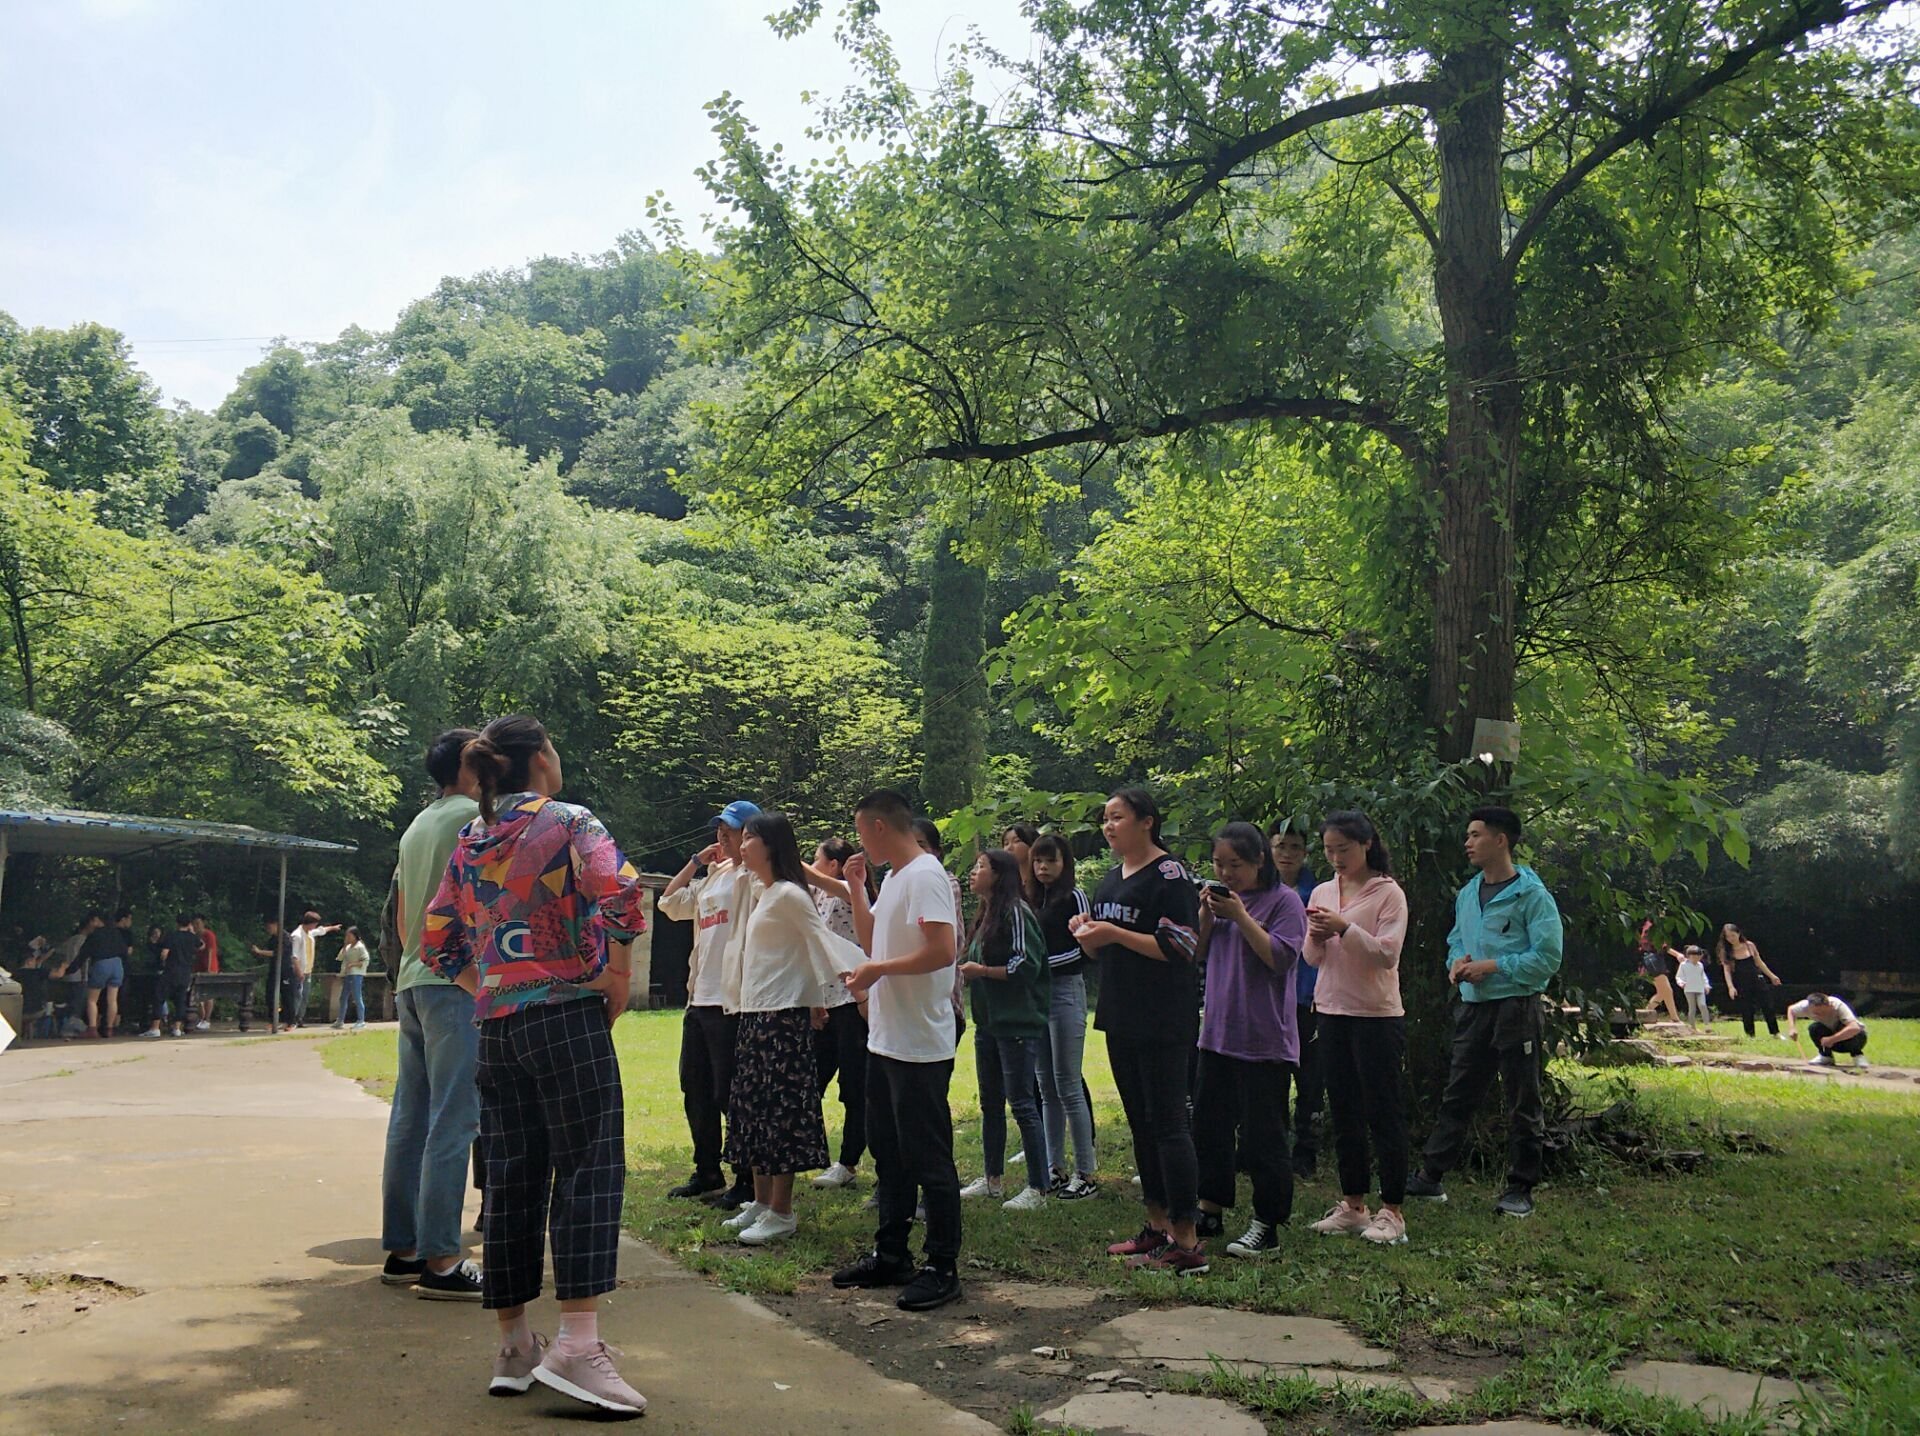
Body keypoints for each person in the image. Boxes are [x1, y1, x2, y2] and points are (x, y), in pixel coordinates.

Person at [425, 714, 650, 1416]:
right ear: (542, 758)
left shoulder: (471, 840)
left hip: (496, 1031)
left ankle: (515, 1345)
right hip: (564, 1020)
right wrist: (617, 974)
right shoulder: (569, 821)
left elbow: (436, 942)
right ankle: (578, 1345)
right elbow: (621, 893)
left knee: (512, 1181)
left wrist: (492, 986)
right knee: (587, 1167)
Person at [830, 789, 964, 1313]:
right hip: (886, 1040)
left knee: (929, 1158)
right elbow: (872, 943)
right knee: (889, 1154)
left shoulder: (927, 875)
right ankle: (891, 1254)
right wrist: (856, 888)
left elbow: (943, 950)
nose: (860, 842)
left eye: (861, 832)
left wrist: (877, 972)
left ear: (879, 827)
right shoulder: (894, 879)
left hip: (920, 1045)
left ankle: (942, 1266)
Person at [1071, 787, 1207, 1275]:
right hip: (1120, 1015)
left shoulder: (1170, 875)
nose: (1108, 826)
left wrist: (1112, 932)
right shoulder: (1110, 880)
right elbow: (1099, 953)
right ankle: (1156, 1226)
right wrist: (1086, 934)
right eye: (1105, 819)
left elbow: (1182, 945)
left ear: (1147, 821)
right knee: (1140, 1123)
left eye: (1117, 817)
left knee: (1169, 1125)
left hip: (1163, 1017)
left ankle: (1188, 1241)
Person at [1406, 806, 1564, 1220]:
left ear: (1501, 840)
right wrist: (1456, 964)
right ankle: (1430, 1176)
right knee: (1458, 1093)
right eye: (1468, 835)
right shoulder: (1468, 893)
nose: (1468, 843)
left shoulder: (1532, 895)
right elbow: (1457, 940)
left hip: (1517, 1008)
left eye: (1476, 835)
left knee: (1522, 1098)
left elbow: (1547, 958)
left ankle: (1520, 1188)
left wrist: (1491, 967)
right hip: (1474, 1008)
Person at [716, 812, 865, 1244]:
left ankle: (782, 1210)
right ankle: (761, 1202)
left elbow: (821, 943)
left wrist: (858, 983)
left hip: (782, 1019)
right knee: (754, 1111)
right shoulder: (762, 892)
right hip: (756, 1014)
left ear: (770, 845)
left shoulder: (789, 894)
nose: (742, 845)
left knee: (779, 1114)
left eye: (749, 838)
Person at [380, 728, 485, 1301]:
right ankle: (443, 1259)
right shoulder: (474, 817)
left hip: (413, 980)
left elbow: (402, 919)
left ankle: (404, 1250)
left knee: (411, 1116)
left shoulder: (418, 824)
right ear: (471, 765)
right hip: (455, 983)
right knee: (453, 1117)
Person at [1194, 823, 1306, 1259]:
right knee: (1209, 1128)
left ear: (1261, 859)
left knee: (1263, 1138)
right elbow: (1197, 953)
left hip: (1265, 1040)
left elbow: (1280, 959)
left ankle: (1267, 1225)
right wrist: (1207, 917)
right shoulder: (1219, 902)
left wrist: (1241, 916)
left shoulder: (1285, 901)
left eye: (1235, 865)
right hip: (1217, 1035)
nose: (1226, 873)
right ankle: (1209, 1208)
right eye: (1218, 864)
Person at [1302, 812, 1412, 1246]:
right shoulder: (1323, 891)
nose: (1336, 858)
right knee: (1344, 1109)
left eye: (1343, 849)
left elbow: (1387, 955)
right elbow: (1312, 958)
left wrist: (1344, 927)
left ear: (1366, 844)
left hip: (1377, 1016)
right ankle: (1353, 1205)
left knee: (1383, 1110)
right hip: (1331, 1010)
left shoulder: (1388, 893)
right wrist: (1317, 934)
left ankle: (1393, 1211)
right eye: (1329, 850)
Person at [658, 799, 761, 1210]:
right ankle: (707, 1171)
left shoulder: (753, 879)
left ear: (751, 835)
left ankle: (746, 1178)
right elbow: (668, 904)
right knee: (694, 1088)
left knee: (730, 1093)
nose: (722, 835)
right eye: (720, 828)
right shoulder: (713, 877)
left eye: (731, 829)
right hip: (698, 998)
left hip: (731, 1002)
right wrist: (695, 863)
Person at [958, 848, 1052, 1211]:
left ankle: (1038, 1187)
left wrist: (982, 972)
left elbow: (1026, 964)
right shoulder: (986, 914)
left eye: (981, 866)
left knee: (1023, 1104)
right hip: (989, 1023)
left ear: (999, 874)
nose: (973, 872)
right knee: (991, 1104)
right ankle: (992, 1179)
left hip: (1017, 1024)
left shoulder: (1016, 911)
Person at [1031, 833, 1097, 1199]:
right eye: (1038, 861)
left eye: (1051, 861)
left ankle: (1086, 1173)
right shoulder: (1031, 898)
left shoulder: (1074, 897)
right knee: (1046, 1087)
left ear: (1064, 863)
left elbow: (1082, 952)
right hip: (1037, 998)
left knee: (1068, 1084)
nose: (1043, 867)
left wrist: (1035, 966)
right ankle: (1053, 1167)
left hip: (1066, 992)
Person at [809, 837, 869, 1191]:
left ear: (833, 864)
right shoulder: (818, 897)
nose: (813, 863)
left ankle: (848, 1162)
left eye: (816, 858)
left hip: (851, 1000)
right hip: (826, 1002)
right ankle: (809, 1152)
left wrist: (784, 857)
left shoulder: (850, 890)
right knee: (811, 1081)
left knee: (853, 1087)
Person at [1269, 823, 1323, 1178]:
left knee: (1310, 1080)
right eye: (1280, 846)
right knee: (1271, 1077)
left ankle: (1306, 1153)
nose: (1287, 854)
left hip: (1308, 998)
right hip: (1270, 1000)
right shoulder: (1258, 891)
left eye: (1294, 847)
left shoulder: (1318, 893)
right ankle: (1270, 1146)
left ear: (1305, 852)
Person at [1717, 923, 1785, 1039]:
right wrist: (1730, 987)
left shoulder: (1749, 945)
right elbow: (1727, 971)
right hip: (1741, 982)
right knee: (1747, 1008)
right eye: (1728, 937)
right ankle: (1750, 1035)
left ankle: (1775, 1033)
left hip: (1757, 978)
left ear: (1738, 933)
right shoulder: (1726, 951)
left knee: (1767, 1005)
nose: (1731, 939)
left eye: (1733, 935)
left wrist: (1772, 976)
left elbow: (1759, 962)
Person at [142, 914, 199, 1039]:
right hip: (186, 972)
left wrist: (163, 962)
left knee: (159, 996)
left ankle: (155, 1027)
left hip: (171, 971)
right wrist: (192, 932)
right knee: (180, 999)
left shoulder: (172, 936)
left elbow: (164, 953)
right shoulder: (192, 937)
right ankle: (177, 1028)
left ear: (177, 923)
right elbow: (202, 945)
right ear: (189, 924)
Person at [79, 910, 132, 1039]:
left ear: (99, 920)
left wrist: (70, 969)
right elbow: (125, 952)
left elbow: (83, 954)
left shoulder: (95, 934)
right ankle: (109, 1028)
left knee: (92, 999)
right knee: (112, 1000)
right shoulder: (117, 933)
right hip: (117, 965)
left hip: (102, 964)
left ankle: (92, 1029)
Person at [287, 911, 342, 1029]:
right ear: (310, 923)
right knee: (297, 995)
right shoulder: (297, 935)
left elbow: (321, 931)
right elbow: (294, 956)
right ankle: (292, 1018)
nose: (315, 927)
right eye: (314, 924)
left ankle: (300, 1018)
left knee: (305, 996)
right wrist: (298, 971)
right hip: (299, 970)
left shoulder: (309, 933)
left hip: (308, 970)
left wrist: (332, 928)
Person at [1788, 992, 1869, 1070]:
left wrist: (1832, 1039)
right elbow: (1791, 1010)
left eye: (1822, 1012)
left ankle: (1857, 1055)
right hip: (1831, 1038)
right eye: (1815, 1013)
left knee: (1847, 1029)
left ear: (1829, 1005)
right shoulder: (1804, 1006)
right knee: (1814, 1028)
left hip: (1855, 1038)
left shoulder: (1838, 1005)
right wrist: (1792, 1028)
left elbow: (1854, 1028)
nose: (1819, 1015)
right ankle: (1826, 1056)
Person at [250, 919, 293, 1030]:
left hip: (285, 970)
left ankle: (289, 1021)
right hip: (274, 970)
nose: (268, 929)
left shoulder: (285, 938)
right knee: (270, 994)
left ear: (276, 925)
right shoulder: (272, 939)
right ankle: (272, 1019)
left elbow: (277, 953)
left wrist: (260, 951)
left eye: (270, 927)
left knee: (287, 996)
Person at [1639, 920, 1680, 1023]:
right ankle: (1674, 1018)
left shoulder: (1653, 926)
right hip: (1652, 959)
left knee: (1663, 992)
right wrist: (1678, 955)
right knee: (1667, 990)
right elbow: (1662, 945)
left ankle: (1645, 1013)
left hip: (1654, 959)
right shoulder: (1652, 927)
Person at [333, 926, 371, 1031]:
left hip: (356, 974)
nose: (348, 938)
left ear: (355, 936)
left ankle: (361, 1020)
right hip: (347, 974)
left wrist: (353, 964)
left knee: (357, 997)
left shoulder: (360, 947)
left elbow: (365, 960)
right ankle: (340, 1020)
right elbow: (340, 957)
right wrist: (345, 945)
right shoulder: (348, 947)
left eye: (349, 936)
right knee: (343, 997)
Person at [1671, 945, 1711, 1030]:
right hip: (1689, 989)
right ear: (1688, 956)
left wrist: (1706, 985)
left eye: (1697, 956)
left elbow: (1703, 976)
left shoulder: (1700, 965)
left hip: (1700, 989)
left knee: (1703, 1005)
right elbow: (1679, 976)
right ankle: (1692, 1027)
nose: (1695, 958)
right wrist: (1681, 983)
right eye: (1692, 956)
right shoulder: (1683, 965)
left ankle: (1707, 1025)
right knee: (1692, 1008)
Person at [191, 915, 219, 1031]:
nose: (196, 926)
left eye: (198, 923)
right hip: (198, 967)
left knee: (209, 994)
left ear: (203, 923)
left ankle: (207, 1019)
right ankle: (201, 1018)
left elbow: (211, 951)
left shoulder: (209, 935)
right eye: (194, 923)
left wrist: (209, 968)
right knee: (197, 994)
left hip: (209, 966)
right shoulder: (195, 936)